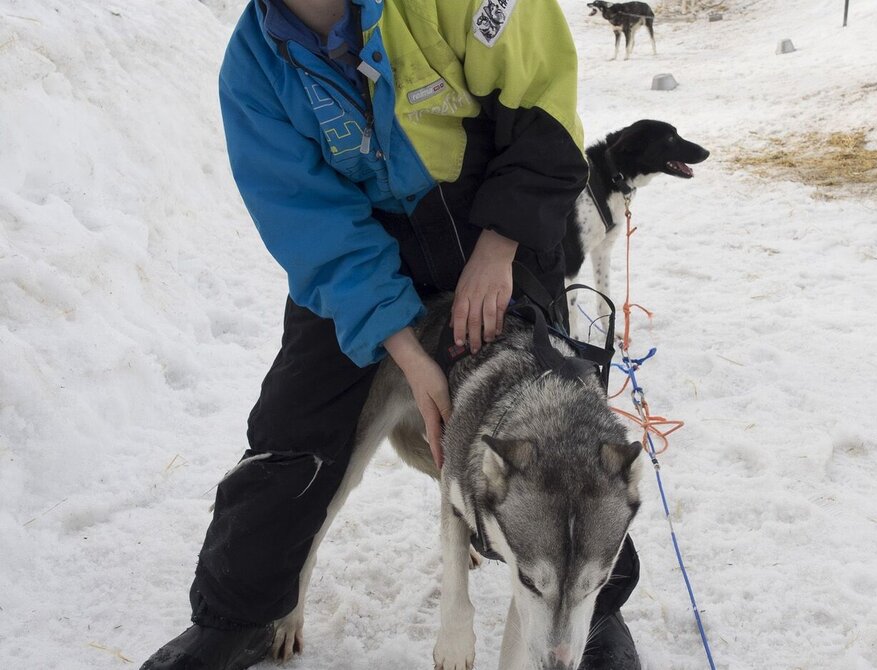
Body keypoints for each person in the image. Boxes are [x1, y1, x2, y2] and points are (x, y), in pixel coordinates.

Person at [141, 0, 642, 668]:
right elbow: (312, 225)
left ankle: (595, 614)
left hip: (494, 216)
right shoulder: (255, 70)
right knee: (298, 429)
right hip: (367, 248)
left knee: (547, 417)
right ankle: (242, 615)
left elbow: (545, 100)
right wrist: (404, 347)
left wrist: (498, 247)